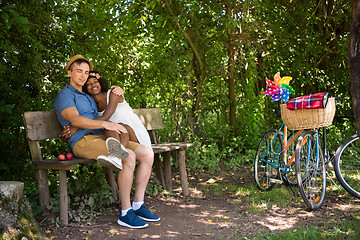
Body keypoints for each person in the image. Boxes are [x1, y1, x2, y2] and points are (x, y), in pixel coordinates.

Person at [53, 55, 160, 229]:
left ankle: (138, 204)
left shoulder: (87, 95)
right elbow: (76, 119)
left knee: (147, 154)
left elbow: (100, 109)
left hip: (103, 137)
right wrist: (90, 125)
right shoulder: (65, 95)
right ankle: (125, 212)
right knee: (128, 156)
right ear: (69, 72)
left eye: (86, 72)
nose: (83, 75)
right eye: (79, 71)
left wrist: (119, 93)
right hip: (84, 141)